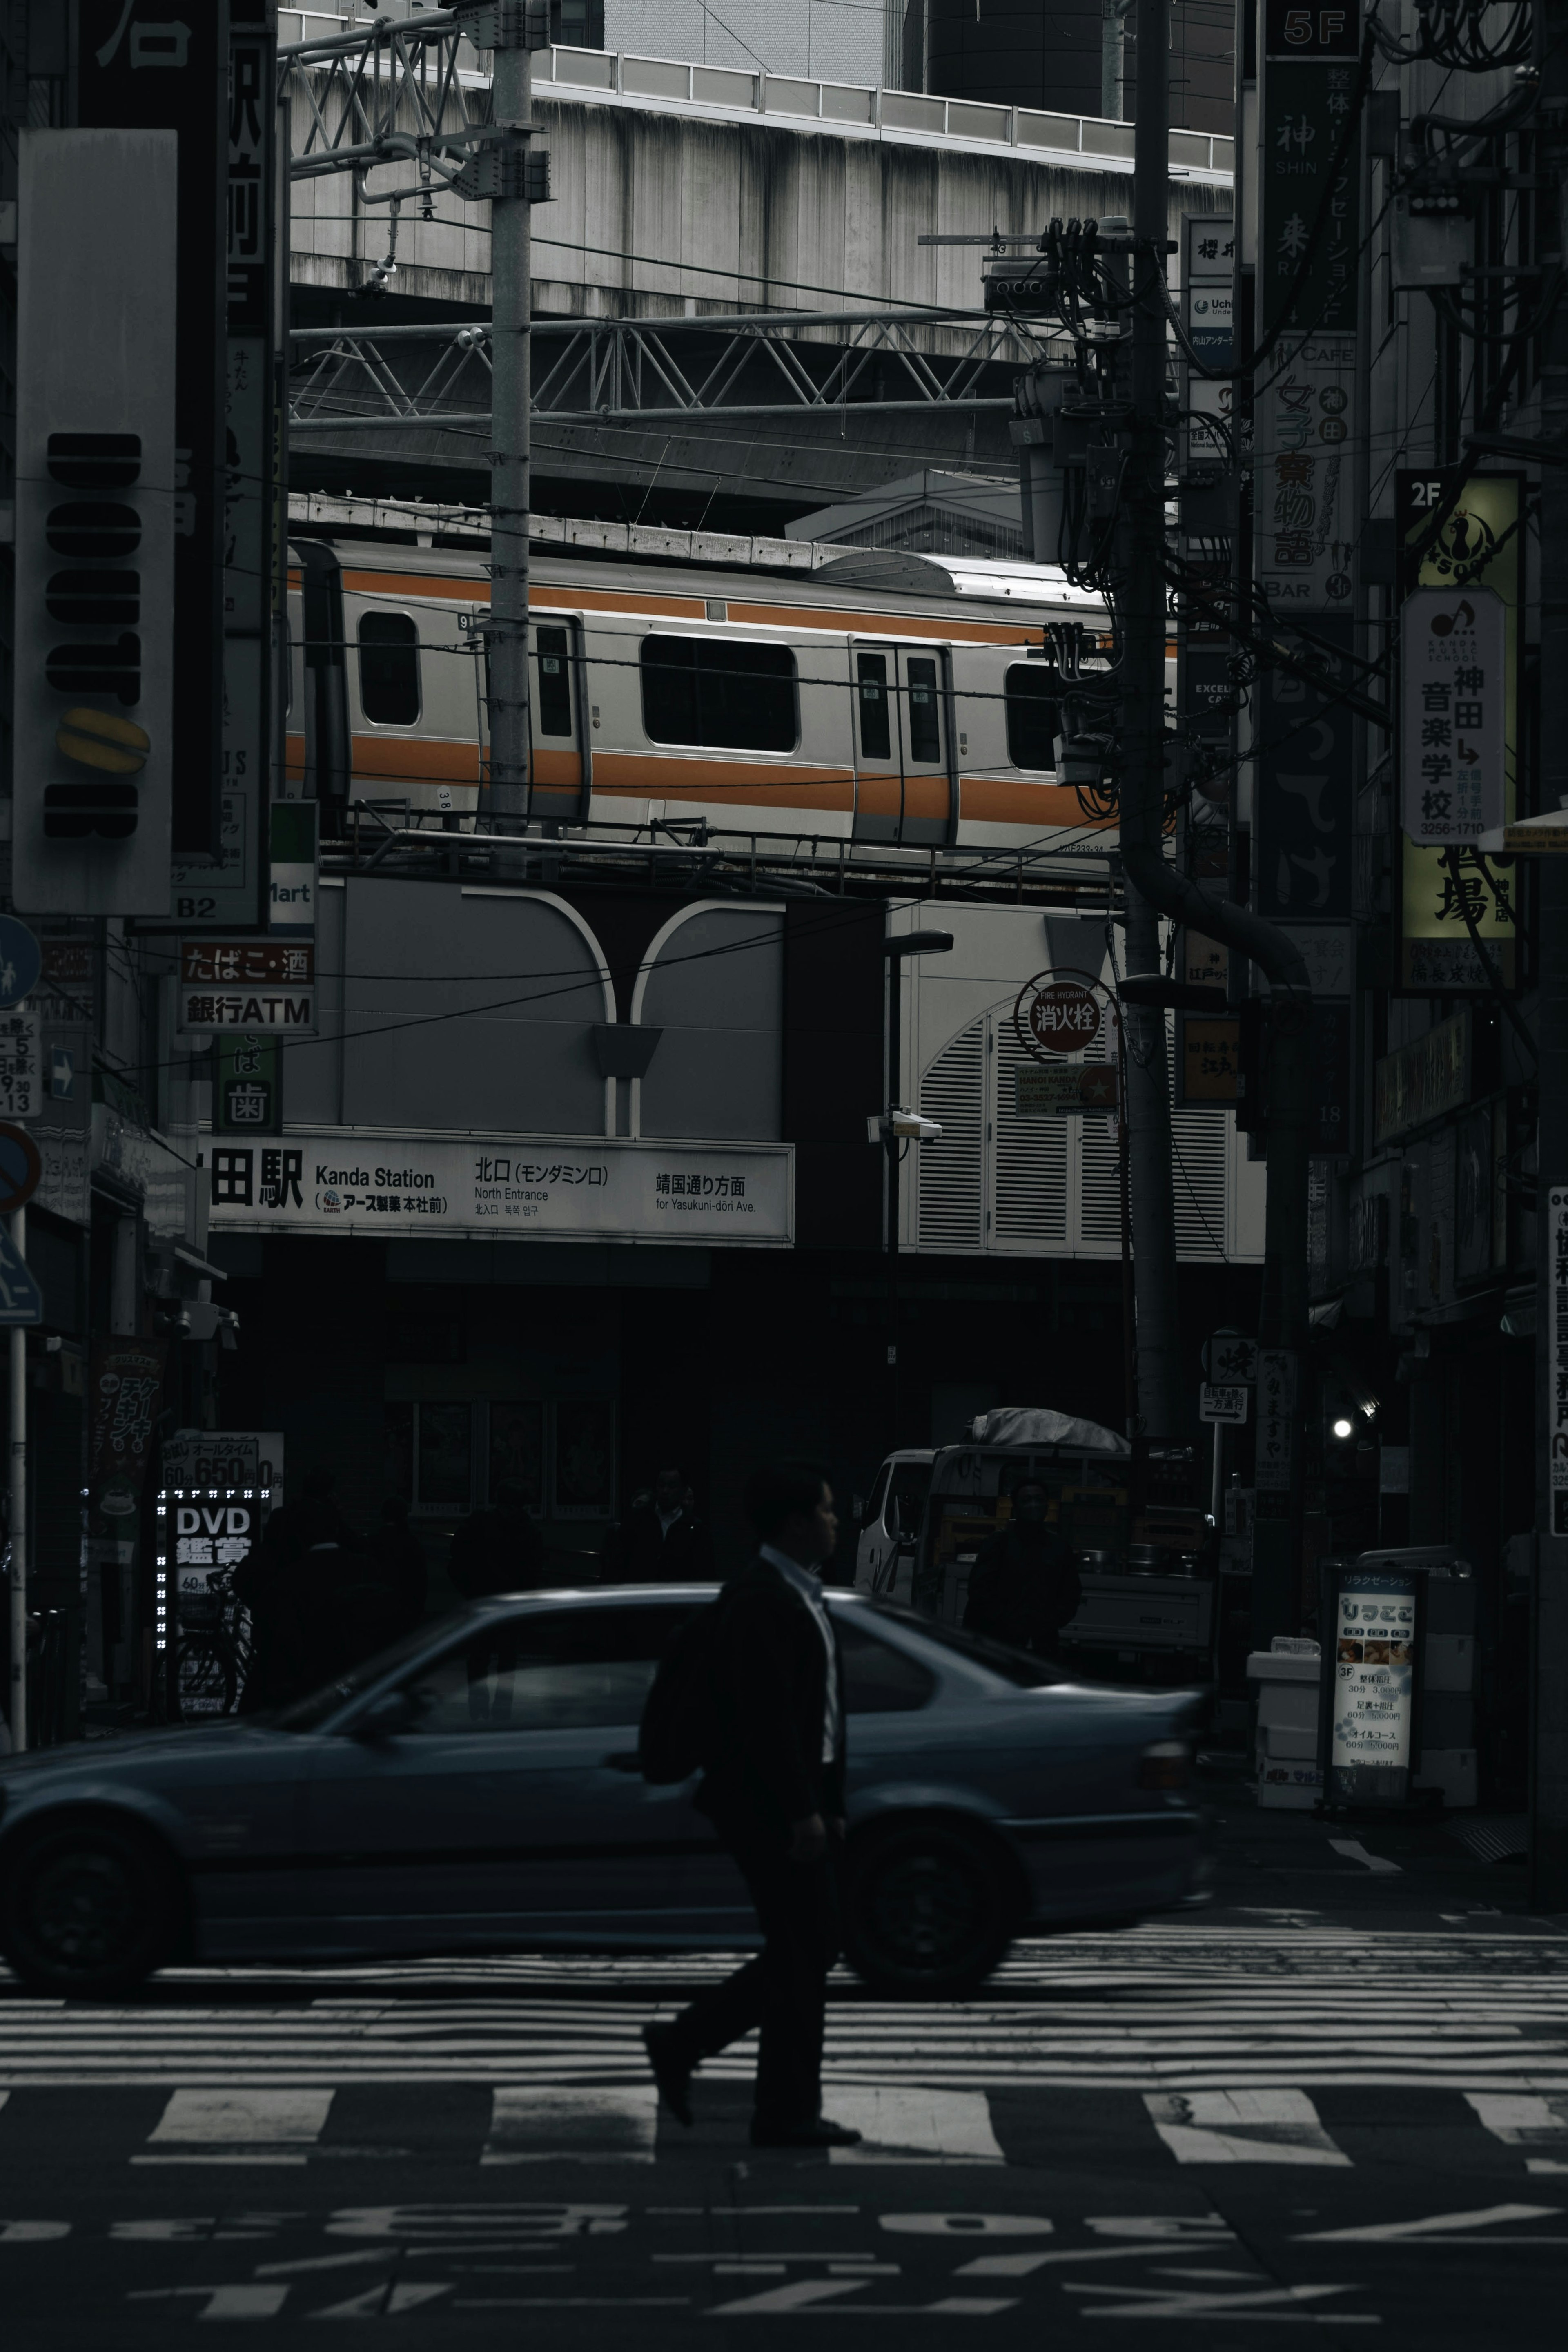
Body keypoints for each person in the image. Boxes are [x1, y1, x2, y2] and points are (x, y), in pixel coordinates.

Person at [641, 1460, 862, 2151]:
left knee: (807, 1947)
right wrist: (802, 1811)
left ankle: (751, 2086)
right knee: (809, 1944)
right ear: (795, 1523)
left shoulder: (800, 1592)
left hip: (788, 1799)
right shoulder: (762, 1600)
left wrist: (832, 1801)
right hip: (760, 1803)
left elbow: (819, 1718)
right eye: (827, 1510)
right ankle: (713, 2063)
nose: (836, 1520)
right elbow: (768, 1722)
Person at [962, 1477, 1082, 1653]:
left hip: (1042, 1645)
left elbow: (1071, 1593)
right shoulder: (998, 1544)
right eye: (1027, 1500)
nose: (1034, 1505)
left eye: (1039, 1500)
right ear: (1016, 1508)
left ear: (1047, 1506)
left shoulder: (1059, 1548)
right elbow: (980, 1592)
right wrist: (1008, 1624)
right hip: (997, 1645)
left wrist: (1049, 1623)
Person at [601, 1466, 714, 1583]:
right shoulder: (638, 1519)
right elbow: (618, 1563)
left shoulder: (695, 1528)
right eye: (661, 1485)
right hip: (639, 1592)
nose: (665, 1491)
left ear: (683, 1490)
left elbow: (703, 1571)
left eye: (672, 1486)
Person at [448, 1478, 546, 1600]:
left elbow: (457, 1554)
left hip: (480, 1593)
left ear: (497, 1498)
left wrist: (470, 1589)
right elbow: (534, 1569)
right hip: (514, 1596)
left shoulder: (479, 1522)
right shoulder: (530, 1530)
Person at [367, 1497, 428, 1636]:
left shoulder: (372, 1541)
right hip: (405, 1606)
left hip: (377, 1607)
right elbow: (420, 1579)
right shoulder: (411, 1542)